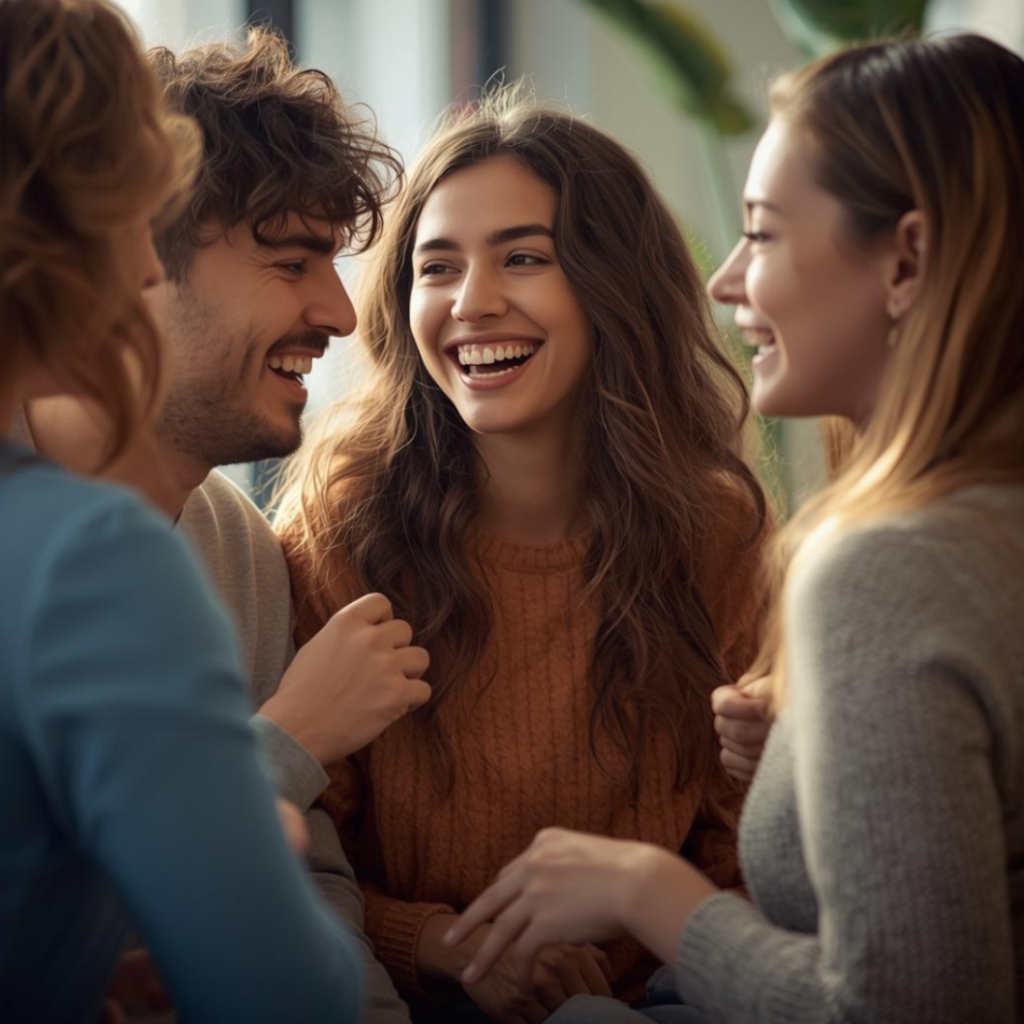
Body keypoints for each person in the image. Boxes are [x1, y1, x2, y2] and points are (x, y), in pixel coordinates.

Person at [445, 33, 1024, 1024]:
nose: (726, 281)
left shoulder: (877, 566)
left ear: (907, 259)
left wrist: (652, 898)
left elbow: (912, 1005)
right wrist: (809, 759)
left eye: (761, 234)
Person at [275, 90, 771, 1022]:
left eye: (525, 258)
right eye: (437, 267)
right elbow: (292, 855)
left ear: (612, 284)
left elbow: (744, 866)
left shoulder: (719, 537)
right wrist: (456, 949)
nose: (472, 303)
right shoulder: (342, 529)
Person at [19, 28, 426, 1023]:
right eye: (292, 262)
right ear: (141, 262)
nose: (339, 313)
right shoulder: (71, 554)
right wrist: (288, 739)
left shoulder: (242, 546)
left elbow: (315, 890)